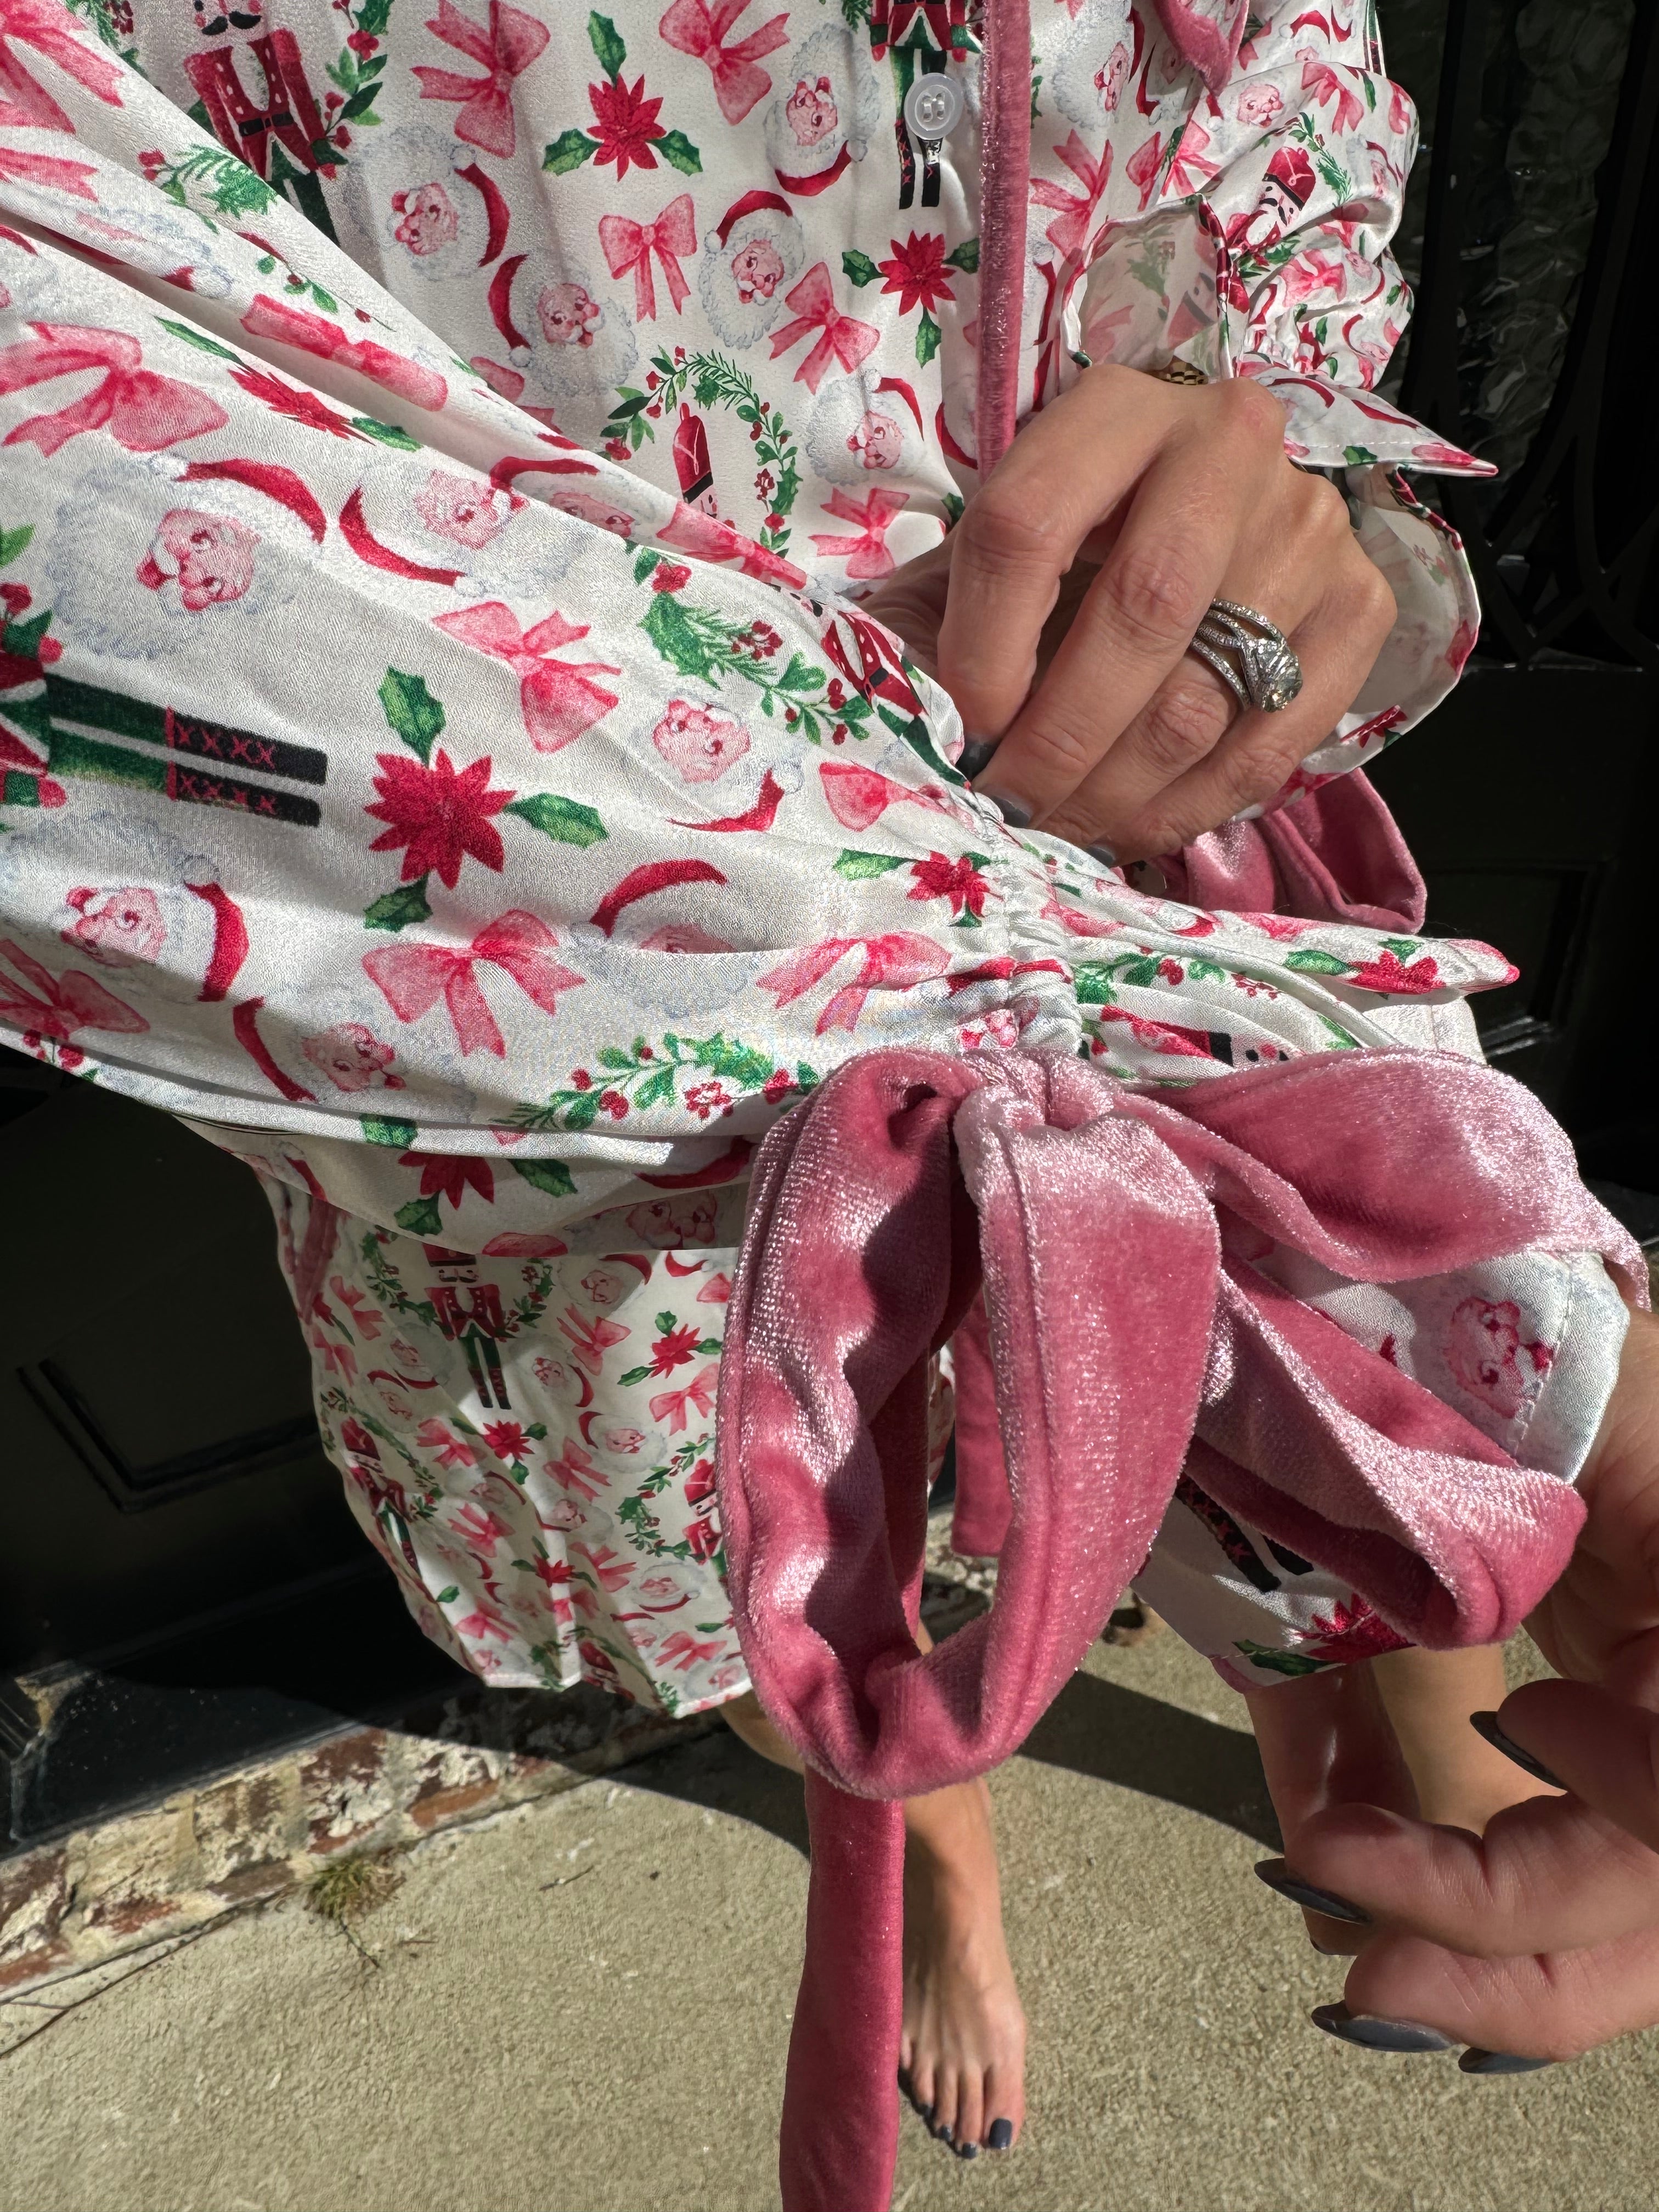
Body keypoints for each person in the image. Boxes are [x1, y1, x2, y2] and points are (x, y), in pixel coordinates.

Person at [0, 0, 1648, 2175]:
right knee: (775, 1552)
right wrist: (1523, 1340)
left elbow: (1283, 123)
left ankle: (1312, 1664)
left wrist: (1287, 486)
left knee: (1395, 1563)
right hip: (573, 1057)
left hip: (1172, 848)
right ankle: (935, 1830)